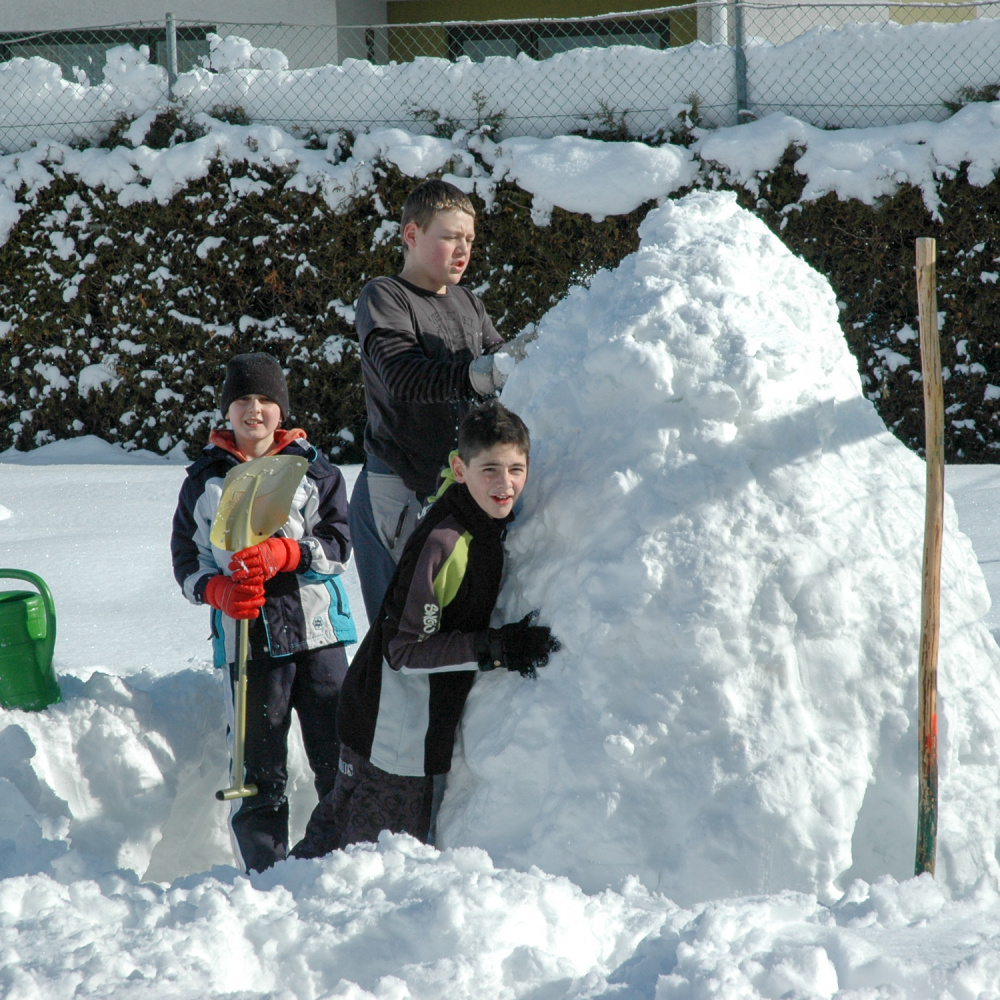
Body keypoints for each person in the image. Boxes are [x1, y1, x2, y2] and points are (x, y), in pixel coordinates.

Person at [291, 401, 559, 856]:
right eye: (489, 468)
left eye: (517, 468)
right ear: (460, 468)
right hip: (393, 738)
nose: (505, 482)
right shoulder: (448, 542)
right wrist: (495, 647)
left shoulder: (476, 524)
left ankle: (271, 905)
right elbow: (405, 650)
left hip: (382, 724)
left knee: (331, 840)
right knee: (368, 868)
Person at [170, 352, 356, 873]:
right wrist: (217, 592)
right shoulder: (204, 481)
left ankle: (340, 859)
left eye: (266, 400)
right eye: (243, 400)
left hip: (319, 636)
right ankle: (267, 872)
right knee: (258, 767)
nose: (255, 409)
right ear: (227, 411)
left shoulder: (313, 469)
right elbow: (187, 560)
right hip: (249, 646)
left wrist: (289, 553)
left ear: (282, 410)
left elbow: (340, 542)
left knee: (337, 754)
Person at [349, 178, 513, 625]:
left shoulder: (468, 302)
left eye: (470, 240)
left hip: (457, 484)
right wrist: (479, 374)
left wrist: (527, 357)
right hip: (399, 490)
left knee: (456, 620)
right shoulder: (385, 296)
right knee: (404, 629)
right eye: (449, 237)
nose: (463, 250)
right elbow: (403, 375)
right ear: (412, 235)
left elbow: (502, 366)